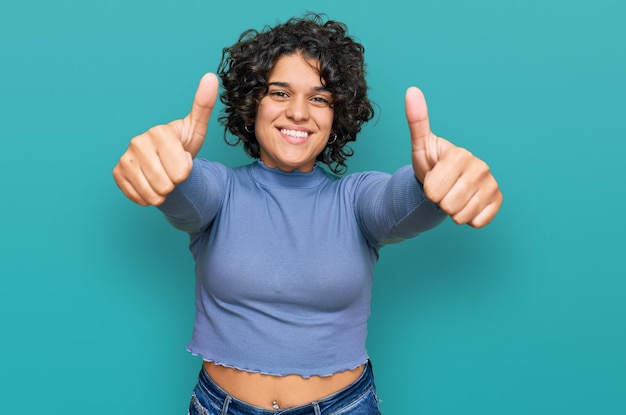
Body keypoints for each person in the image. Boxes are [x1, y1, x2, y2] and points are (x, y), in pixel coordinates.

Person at [113, 13, 502, 415]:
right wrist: (162, 168)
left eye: (318, 98)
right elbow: (185, 189)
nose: (299, 112)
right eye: (280, 93)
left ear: (336, 116)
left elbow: (398, 201)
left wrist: (435, 182)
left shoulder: (354, 199)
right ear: (253, 104)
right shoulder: (221, 189)